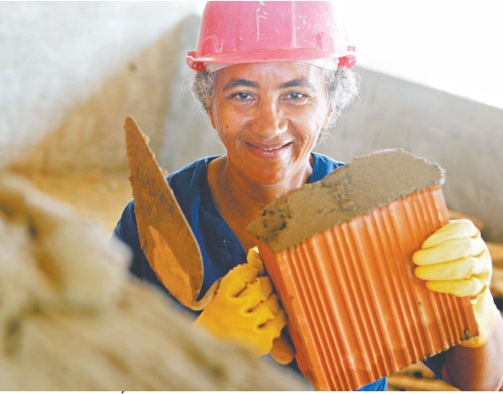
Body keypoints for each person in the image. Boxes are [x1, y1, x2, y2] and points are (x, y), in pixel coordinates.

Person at [113, 1, 503, 390]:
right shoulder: (159, 222)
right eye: (242, 95)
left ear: (329, 106)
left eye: (296, 95)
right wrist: (200, 352)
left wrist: (478, 306)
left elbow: (479, 383)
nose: (269, 124)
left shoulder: (378, 215)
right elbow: (107, 372)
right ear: (210, 104)